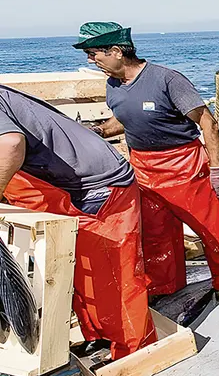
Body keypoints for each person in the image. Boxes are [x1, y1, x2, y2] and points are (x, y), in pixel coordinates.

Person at [74, 22, 219, 303]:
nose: (91, 60)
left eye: (93, 54)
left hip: (183, 165)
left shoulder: (166, 80)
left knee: (209, 228)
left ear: (116, 51)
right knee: (155, 232)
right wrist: (102, 130)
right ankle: (166, 285)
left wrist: (217, 169)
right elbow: (125, 117)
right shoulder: (114, 85)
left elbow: (207, 123)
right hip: (142, 167)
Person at [0, 84, 157, 359]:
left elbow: (11, 145)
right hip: (64, 184)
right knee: (79, 274)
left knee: (114, 278)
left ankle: (135, 353)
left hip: (98, 187)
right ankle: (100, 337)